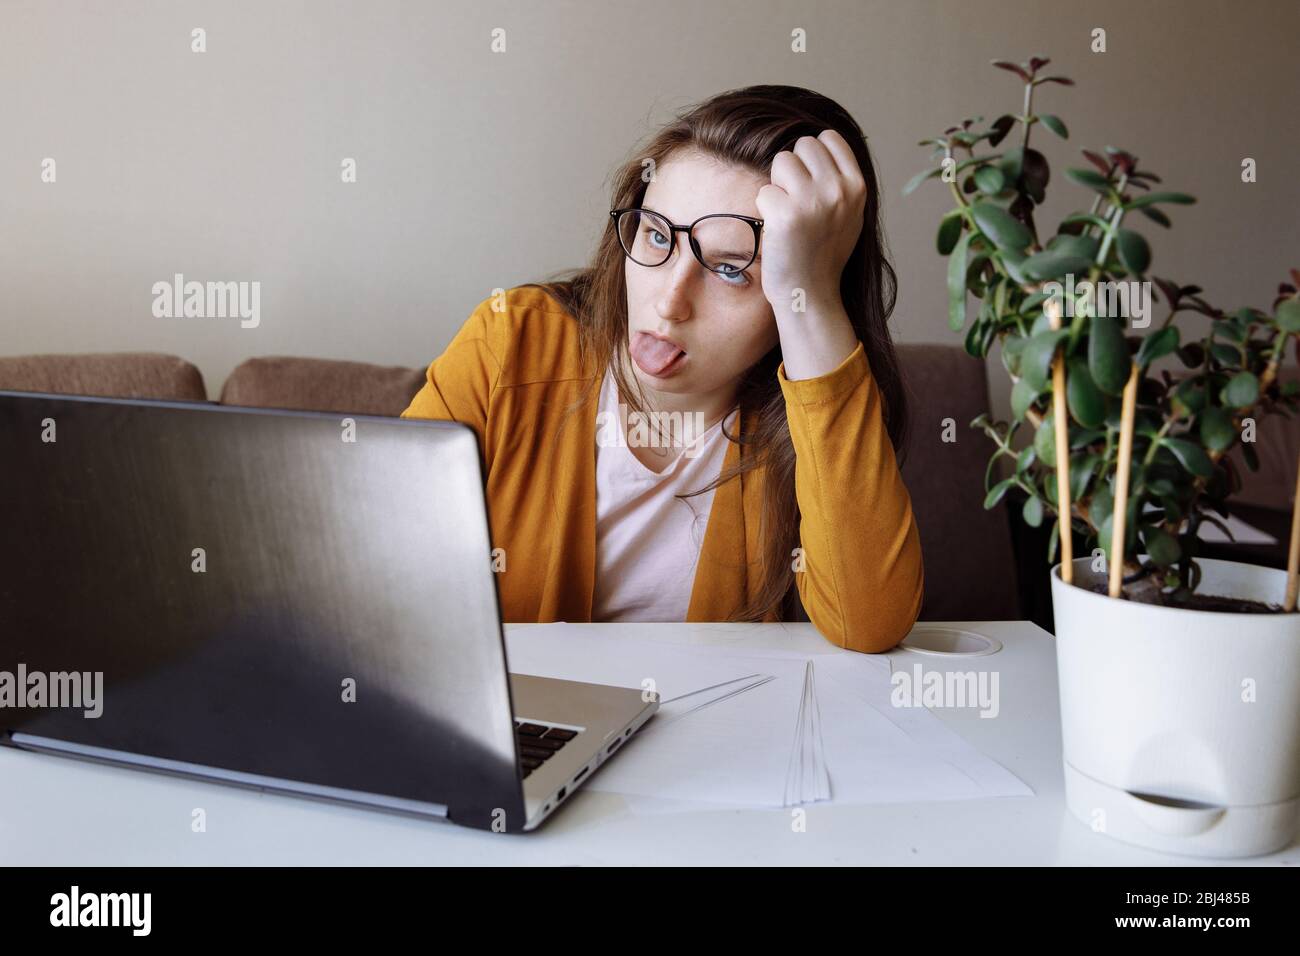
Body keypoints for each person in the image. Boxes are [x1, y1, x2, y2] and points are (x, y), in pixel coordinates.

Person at [401, 84, 923, 653]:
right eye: (656, 235)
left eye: (730, 270)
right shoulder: (512, 342)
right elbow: (377, 549)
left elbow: (866, 624)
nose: (670, 302)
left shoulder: (813, 413)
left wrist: (811, 299)